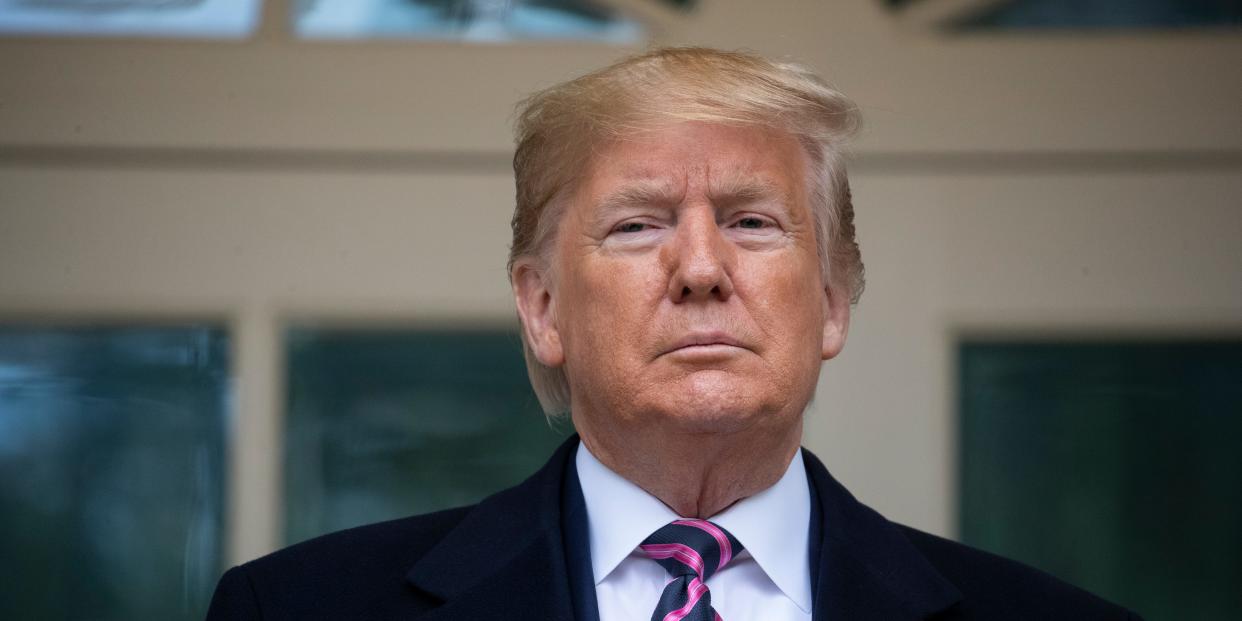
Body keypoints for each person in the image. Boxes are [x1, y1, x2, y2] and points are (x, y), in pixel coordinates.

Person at [206, 47, 1142, 620]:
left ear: (832, 300)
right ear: (541, 308)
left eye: (751, 221)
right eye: (638, 225)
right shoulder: (295, 609)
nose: (700, 268)